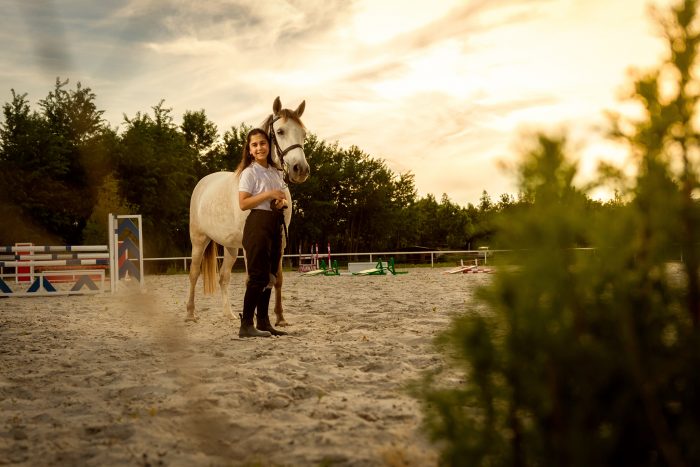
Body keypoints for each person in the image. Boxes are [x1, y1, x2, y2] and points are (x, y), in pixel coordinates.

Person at [236, 128, 289, 338]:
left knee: (271, 275)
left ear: (269, 146)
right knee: (257, 275)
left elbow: (282, 198)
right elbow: (243, 203)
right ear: (249, 150)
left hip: (274, 223)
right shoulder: (249, 173)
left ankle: (264, 322)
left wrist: (280, 202)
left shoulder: (276, 172)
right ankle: (246, 325)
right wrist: (268, 194)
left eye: (263, 143)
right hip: (257, 223)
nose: (259, 148)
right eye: (254, 145)